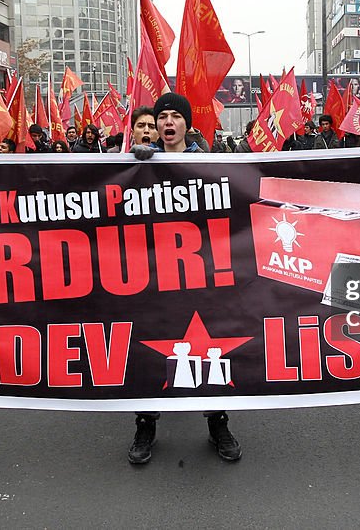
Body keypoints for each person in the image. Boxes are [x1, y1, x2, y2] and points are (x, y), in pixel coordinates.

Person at [127, 93, 242, 464]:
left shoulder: (207, 164)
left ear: (187, 125)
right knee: (147, 349)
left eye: (177, 115)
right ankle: (145, 423)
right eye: (163, 116)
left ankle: (217, 422)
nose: (168, 122)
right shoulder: (138, 164)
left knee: (208, 349)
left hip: (200, 275)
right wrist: (134, 162)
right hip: (153, 276)